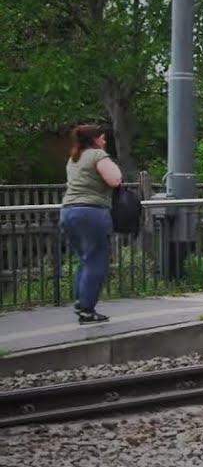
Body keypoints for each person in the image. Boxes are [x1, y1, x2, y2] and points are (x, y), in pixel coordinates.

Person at [60, 124, 122, 324]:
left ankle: (81, 304)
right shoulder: (97, 155)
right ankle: (87, 309)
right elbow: (115, 180)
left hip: (68, 212)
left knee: (85, 259)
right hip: (91, 212)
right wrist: (112, 164)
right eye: (102, 138)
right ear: (94, 140)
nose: (104, 141)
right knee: (96, 261)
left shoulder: (74, 158)